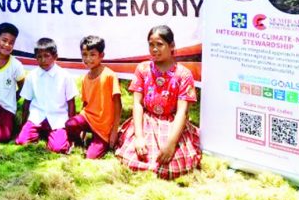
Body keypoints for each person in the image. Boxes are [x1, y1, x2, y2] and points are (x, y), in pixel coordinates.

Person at [115, 25, 201, 179]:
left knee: (172, 167)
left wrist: (171, 144)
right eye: (151, 44)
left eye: (160, 44)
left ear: (172, 46)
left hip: (172, 122)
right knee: (132, 159)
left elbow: (182, 111)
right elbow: (137, 104)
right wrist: (139, 137)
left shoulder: (183, 74)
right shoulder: (142, 69)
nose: (154, 49)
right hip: (146, 120)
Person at [15, 38, 77, 154]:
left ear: (55, 56)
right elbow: (26, 102)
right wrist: (23, 126)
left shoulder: (65, 76)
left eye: (47, 56)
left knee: (58, 148)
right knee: (22, 141)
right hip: (37, 117)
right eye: (39, 56)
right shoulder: (32, 76)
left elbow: (71, 103)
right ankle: (40, 132)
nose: (43, 60)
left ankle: (57, 135)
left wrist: (70, 130)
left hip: (58, 118)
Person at [65, 35, 122, 159]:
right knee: (70, 124)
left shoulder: (109, 75)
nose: (88, 58)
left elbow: (118, 105)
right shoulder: (86, 77)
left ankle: (101, 140)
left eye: (92, 54)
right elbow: (85, 103)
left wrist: (114, 131)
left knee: (91, 157)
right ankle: (79, 143)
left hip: (104, 125)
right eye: (84, 54)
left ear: (101, 55)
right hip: (89, 117)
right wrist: (82, 130)